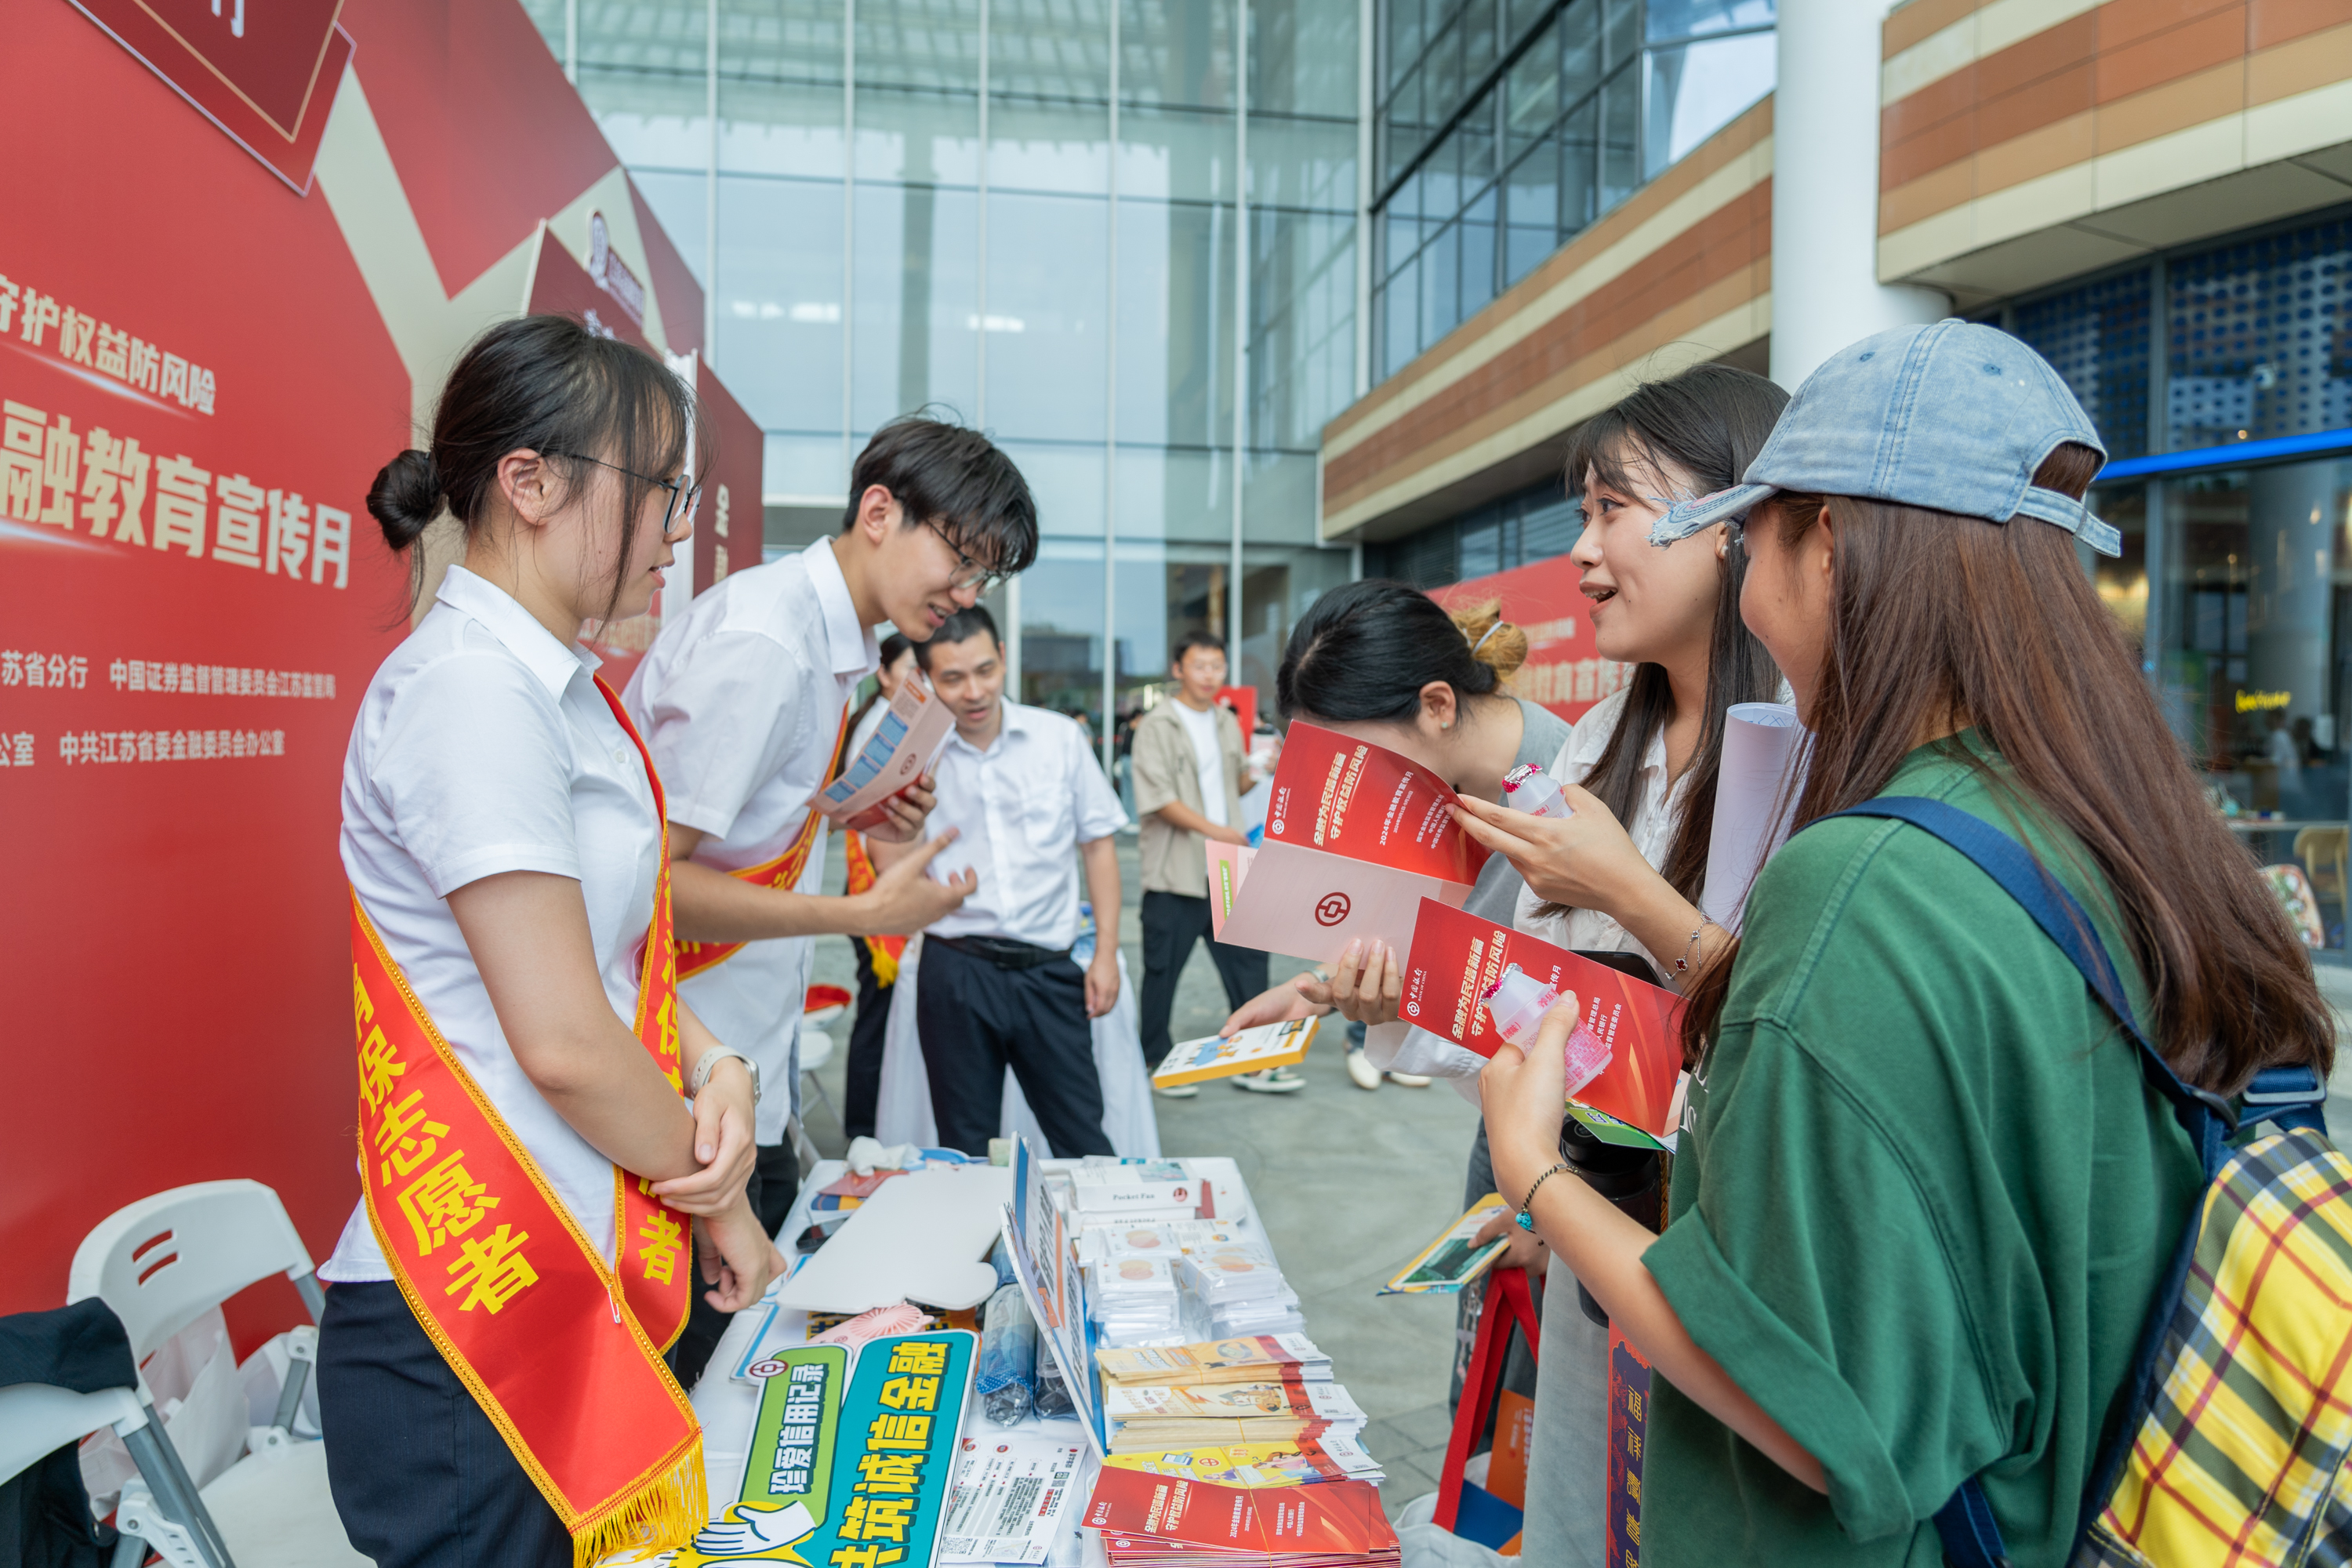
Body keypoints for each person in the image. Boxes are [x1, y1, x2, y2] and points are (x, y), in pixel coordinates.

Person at [1467, 320, 2333, 1565]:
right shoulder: (2122, 836)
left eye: (1755, 537)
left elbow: (1809, 1402)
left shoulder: (1863, 884)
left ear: (1826, 539)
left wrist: (1534, 1170)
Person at [321, 315, 782, 1566]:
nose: (677, 532)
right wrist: (725, 1194)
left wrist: (718, 1063)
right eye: (661, 493)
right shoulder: (471, 690)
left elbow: (612, 970)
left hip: (571, 1270)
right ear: (529, 483)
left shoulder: (547, 688)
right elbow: (568, 1042)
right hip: (474, 1328)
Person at [623, 416, 1032, 1249]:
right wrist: (861, 914)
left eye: (983, 578)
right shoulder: (769, 645)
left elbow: (741, 830)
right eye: (961, 561)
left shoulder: (827, 641)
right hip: (678, 1080)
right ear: (879, 512)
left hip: (735, 1069)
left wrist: (858, 811)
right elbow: (645, 886)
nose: (965, 595)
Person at [885, 605, 1130, 1157]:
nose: (974, 691)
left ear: (1004, 660)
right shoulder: (912, 758)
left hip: (1048, 969)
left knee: (1082, 1139)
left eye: (986, 671)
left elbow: (1098, 846)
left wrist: (1107, 953)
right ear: (925, 680)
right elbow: (886, 866)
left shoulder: (1059, 738)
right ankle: (977, 1245)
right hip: (955, 969)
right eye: (953, 678)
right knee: (964, 1144)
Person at [1131, 631, 1275, 1098]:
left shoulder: (1227, 723)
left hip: (1228, 867)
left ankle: (1253, 1059)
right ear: (1178, 670)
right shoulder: (1157, 725)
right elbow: (1158, 800)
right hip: (1177, 872)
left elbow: (1234, 787)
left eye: (1217, 666)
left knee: (1249, 965)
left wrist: (1259, 772)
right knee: (1161, 972)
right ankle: (1154, 1058)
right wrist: (1217, 831)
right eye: (1200, 665)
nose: (1210, 675)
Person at [840, 632, 919, 1140]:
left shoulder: (897, 723)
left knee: (882, 1011)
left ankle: (869, 1122)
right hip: (875, 889)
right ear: (886, 674)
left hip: (878, 886)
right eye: (912, 670)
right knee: (878, 1014)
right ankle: (865, 1127)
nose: (921, 681)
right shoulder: (883, 732)